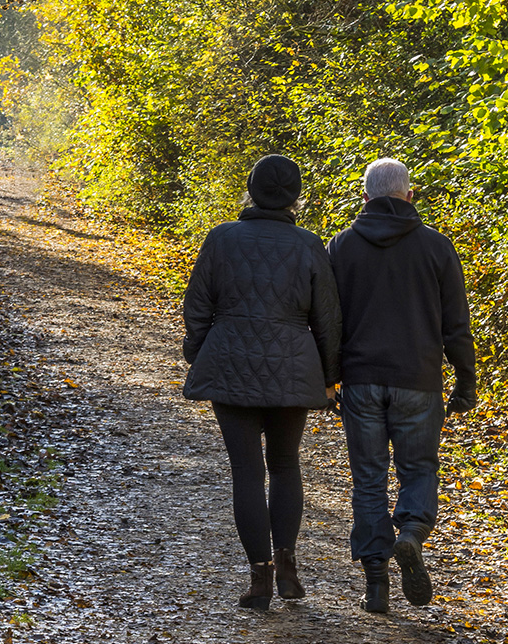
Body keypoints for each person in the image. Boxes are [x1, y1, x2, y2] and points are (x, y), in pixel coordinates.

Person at [182, 154, 341, 610]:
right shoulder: (310, 245)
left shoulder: (221, 239)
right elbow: (327, 318)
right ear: (295, 196)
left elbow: (198, 306)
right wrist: (330, 378)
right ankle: (287, 562)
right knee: (286, 465)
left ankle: (259, 578)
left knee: (247, 472)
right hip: (292, 367)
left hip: (230, 363)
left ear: (251, 191)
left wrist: (201, 353)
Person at [326, 157, 477, 613]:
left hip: (362, 380)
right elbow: (456, 324)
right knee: (419, 470)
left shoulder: (342, 246)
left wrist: (329, 380)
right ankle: (411, 534)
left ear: (365, 197)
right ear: (409, 195)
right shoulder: (437, 247)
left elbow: (329, 322)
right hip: (419, 380)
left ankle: (376, 583)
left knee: (368, 480)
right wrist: (465, 381)